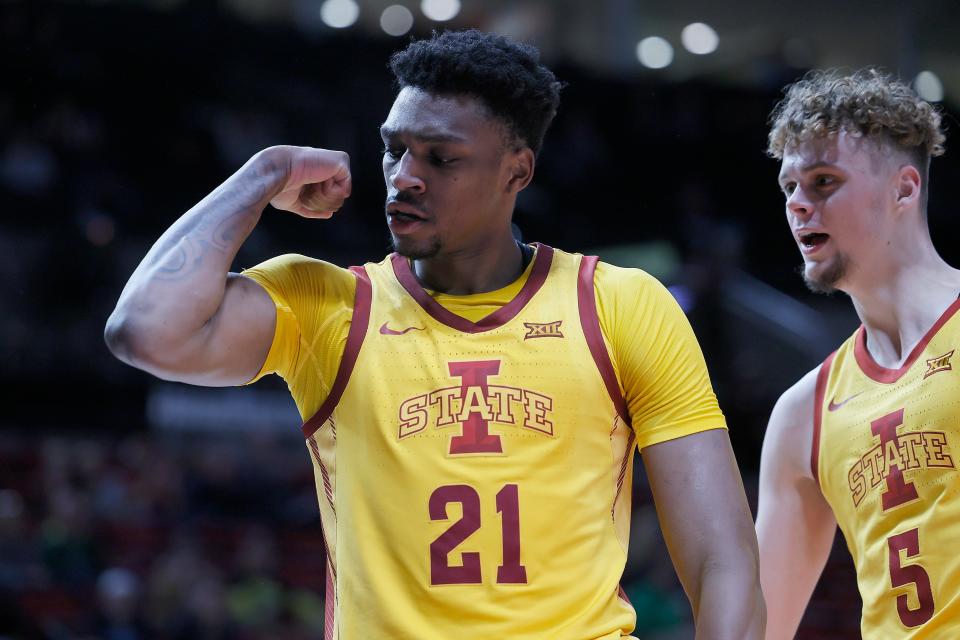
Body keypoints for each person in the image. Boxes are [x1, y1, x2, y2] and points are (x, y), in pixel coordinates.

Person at [105, 30, 763, 639]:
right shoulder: (328, 305)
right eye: (395, 148)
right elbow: (145, 331)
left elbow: (723, 561)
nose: (405, 176)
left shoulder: (620, 305)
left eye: (441, 158)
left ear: (517, 171)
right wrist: (264, 173)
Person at [756, 68, 957, 638]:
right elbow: (758, 624)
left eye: (823, 182)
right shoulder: (802, 414)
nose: (798, 205)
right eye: (789, 187)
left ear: (904, 188)